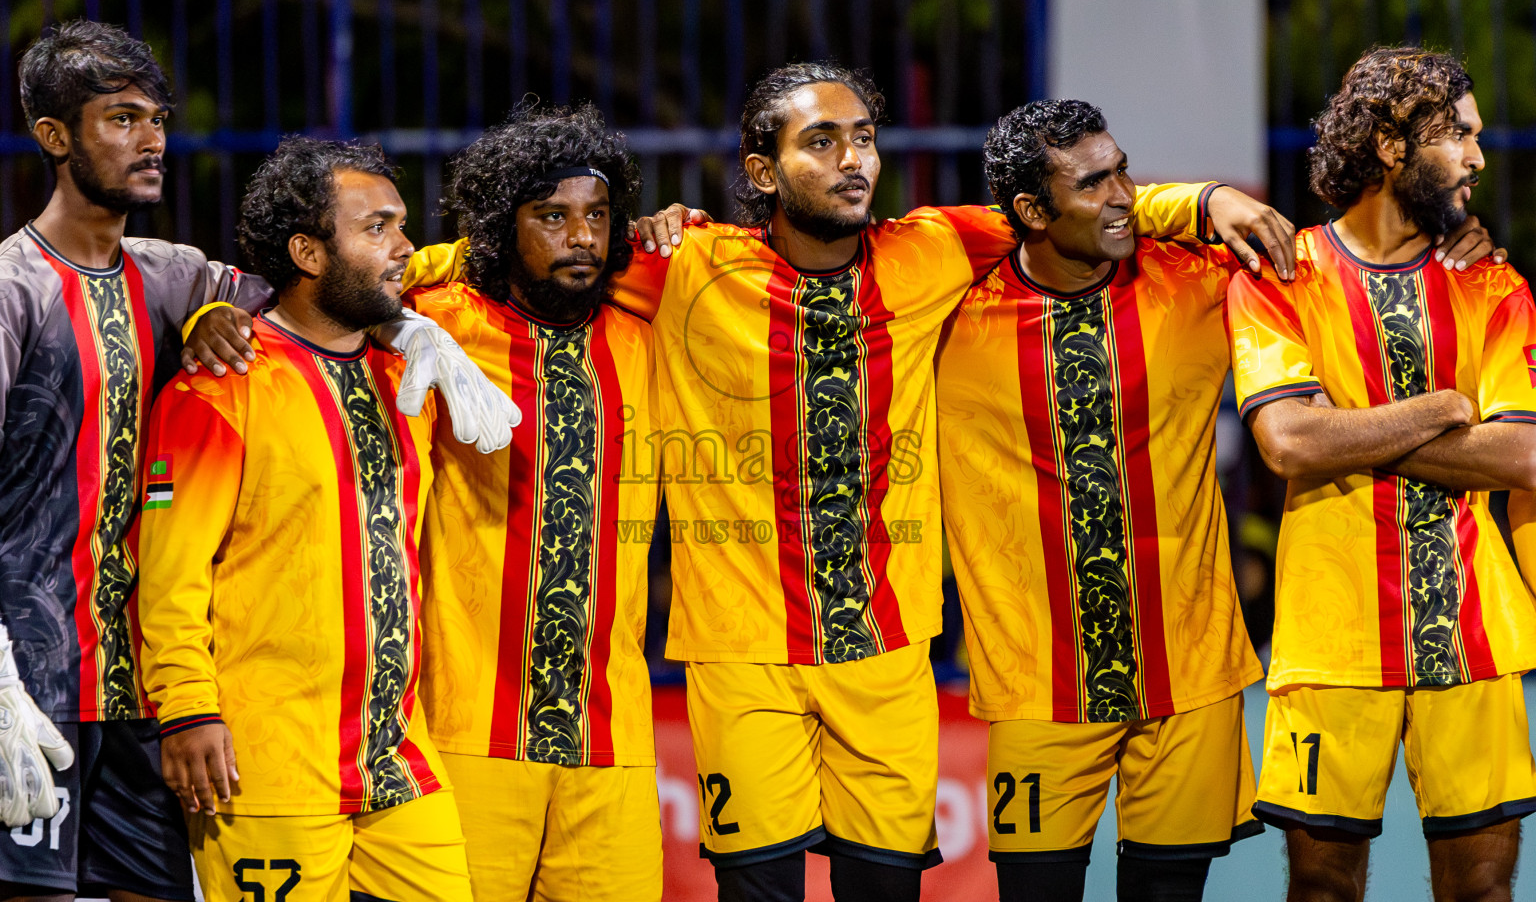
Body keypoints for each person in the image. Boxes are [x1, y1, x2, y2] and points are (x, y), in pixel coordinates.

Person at [395, 61, 1296, 902]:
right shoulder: (684, 267)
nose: (853, 157)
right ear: (761, 170)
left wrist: (1207, 198)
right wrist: (289, 289)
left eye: (862, 136)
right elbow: (505, 256)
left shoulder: (935, 249)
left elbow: (1080, 209)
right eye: (820, 142)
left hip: (890, 656)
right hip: (742, 653)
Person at [934, 99, 1268, 902]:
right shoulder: (947, 313)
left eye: (1122, 169)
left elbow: (1342, 271)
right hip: (1036, 687)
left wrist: (1208, 197)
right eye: (1094, 182)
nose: (1122, 193)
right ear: (1029, 211)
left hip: (1190, 677)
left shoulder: (1198, 283)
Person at [1229, 47, 1536, 902]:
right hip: (1333, 640)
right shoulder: (1283, 272)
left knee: (1482, 888)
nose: (1478, 157)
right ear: (1394, 144)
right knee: (1323, 889)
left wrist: (1347, 429)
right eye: (1458, 136)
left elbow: (1525, 455)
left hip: (1478, 639)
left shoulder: (1491, 281)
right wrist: (1443, 407)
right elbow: (1288, 442)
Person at [134, 137, 472, 902]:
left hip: (399, 762)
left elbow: (465, 260)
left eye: (404, 226)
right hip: (267, 766)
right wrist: (187, 710)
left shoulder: (404, 377)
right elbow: (169, 575)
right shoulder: (220, 390)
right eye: (378, 228)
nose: (403, 249)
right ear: (308, 253)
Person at [0, 20, 265, 902]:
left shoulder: (175, 274)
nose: (152, 138)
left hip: (144, 694)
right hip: (27, 690)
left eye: (157, 117)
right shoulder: (11, 292)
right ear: (55, 137)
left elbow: (315, 293)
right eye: (122, 118)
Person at [403, 105, 664, 900]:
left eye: (596, 215)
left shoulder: (649, 326)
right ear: (499, 229)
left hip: (611, 740)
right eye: (551, 216)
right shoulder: (438, 328)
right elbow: (338, 285)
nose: (581, 236)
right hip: (469, 730)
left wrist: (672, 224)